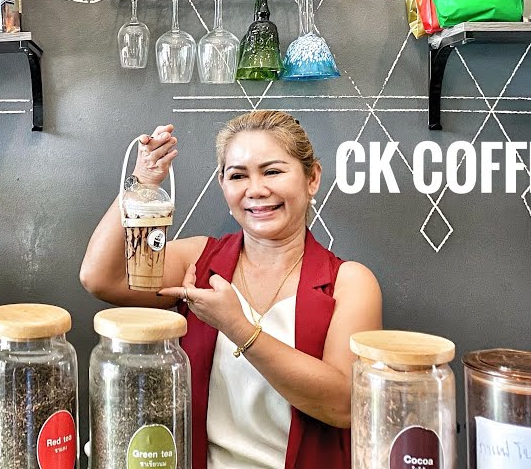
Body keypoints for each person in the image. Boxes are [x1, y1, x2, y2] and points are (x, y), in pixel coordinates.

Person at [79, 110, 382, 469]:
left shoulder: (349, 282)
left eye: (272, 171)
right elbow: (102, 277)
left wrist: (238, 327)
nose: (256, 189)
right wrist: (142, 183)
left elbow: (344, 404)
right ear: (223, 185)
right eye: (238, 175)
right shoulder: (199, 260)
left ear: (312, 178)